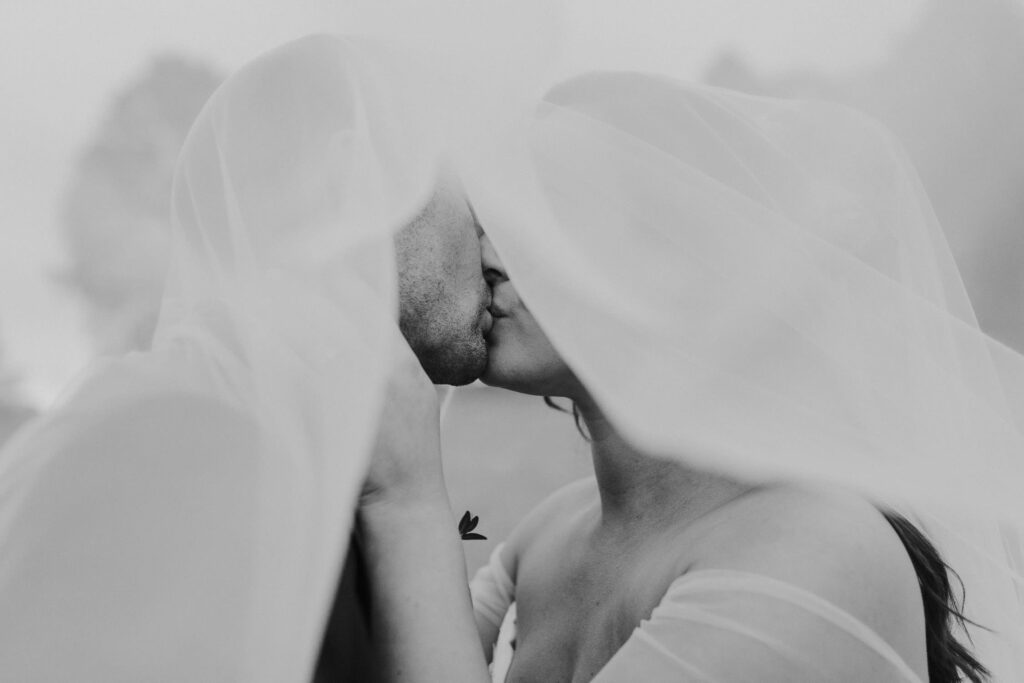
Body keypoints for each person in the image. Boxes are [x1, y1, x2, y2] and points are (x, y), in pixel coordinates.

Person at [359, 71, 1024, 681]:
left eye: (547, 216)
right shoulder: (552, 533)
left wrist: (406, 499)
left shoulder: (821, 550)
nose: (489, 258)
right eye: (492, 218)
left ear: (685, 275)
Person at [0, 34, 490, 682]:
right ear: (360, 184)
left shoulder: (283, 448)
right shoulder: (172, 456)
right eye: (479, 204)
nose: (493, 250)